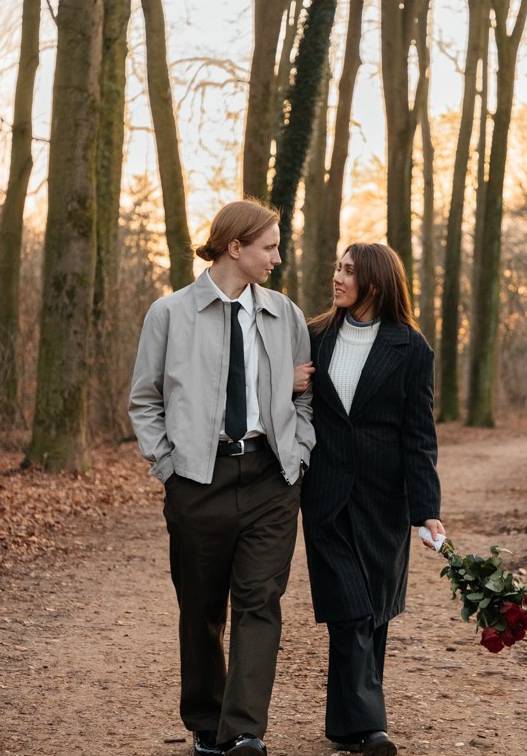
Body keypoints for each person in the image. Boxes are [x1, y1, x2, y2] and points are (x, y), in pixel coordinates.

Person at [129, 199, 315, 756]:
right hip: (196, 480)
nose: (277, 258)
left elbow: (305, 402)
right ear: (235, 247)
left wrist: (298, 453)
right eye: (269, 247)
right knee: (202, 609)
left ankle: (244, 732)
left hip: (269, 480)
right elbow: (145, 400)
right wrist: (169, 467)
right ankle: (207, 724)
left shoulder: (287, 315)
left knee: (260, 601)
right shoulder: (169, 315)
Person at [299, 243, 444, 756]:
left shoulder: (411, 347)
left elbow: (419, 436)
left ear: (376, 285)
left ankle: (347, 727)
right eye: (337, 266)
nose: (336, 277)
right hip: (326, 495)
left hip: (385, 500)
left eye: (348, 271)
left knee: (372, 611)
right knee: (351, 607)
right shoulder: (313, 336)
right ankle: (372, 724)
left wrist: (428, 510)